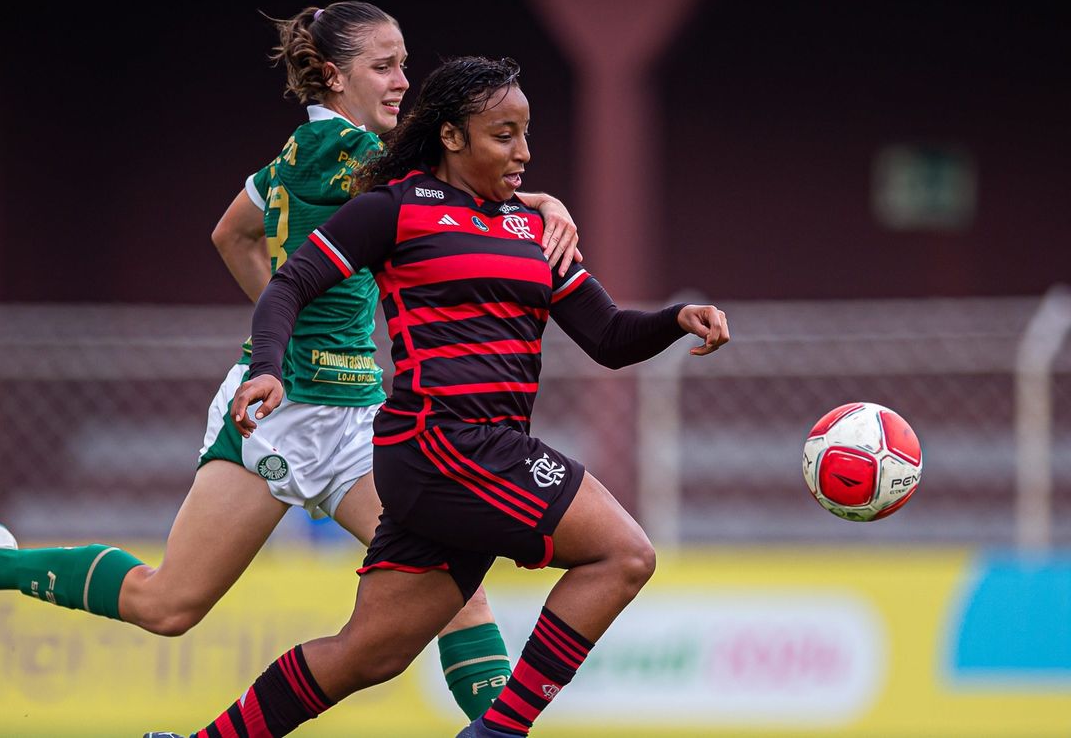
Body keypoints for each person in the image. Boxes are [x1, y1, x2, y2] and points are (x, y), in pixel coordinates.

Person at [0, 3, 583, 722]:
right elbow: (456, 178)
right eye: (385, 66)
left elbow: (233, 231)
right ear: (336, 78)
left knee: (456, 590)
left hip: (358, 426)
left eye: (404, 62)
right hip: (276, 419)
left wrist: (288, 320)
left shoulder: (302, 154)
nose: (404, 79)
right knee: (169, 604)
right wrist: (542, 199)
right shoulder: (348, 154)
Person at [159, 55, 729, 738]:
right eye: (504, 135)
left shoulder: (532, 229)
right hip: (448, 442)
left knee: (369, 652)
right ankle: (497, 731)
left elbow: (607, 336)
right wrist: (271, 366)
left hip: (452, 455)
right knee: (624, 554)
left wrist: (674, 321)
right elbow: (289, 285)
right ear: (453, 136)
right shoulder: (393, 210)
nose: (524, 152)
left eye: (525, 133)